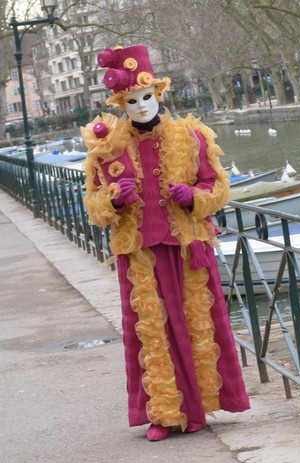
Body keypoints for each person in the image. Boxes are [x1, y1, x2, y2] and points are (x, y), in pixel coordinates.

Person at [81, 44, 250, 441]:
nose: (140, 106)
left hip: (187, 244)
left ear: (158, 94)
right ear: (120, 103)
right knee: (152, 333)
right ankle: (163, 414)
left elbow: (217, 185)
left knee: (195, 327)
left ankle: (196, 411)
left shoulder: (190, 136)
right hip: (139, 251)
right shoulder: (108, 148)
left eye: (146, 97)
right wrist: (114, 198)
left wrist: (194, 197)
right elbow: (92, 203)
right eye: (131, 101)